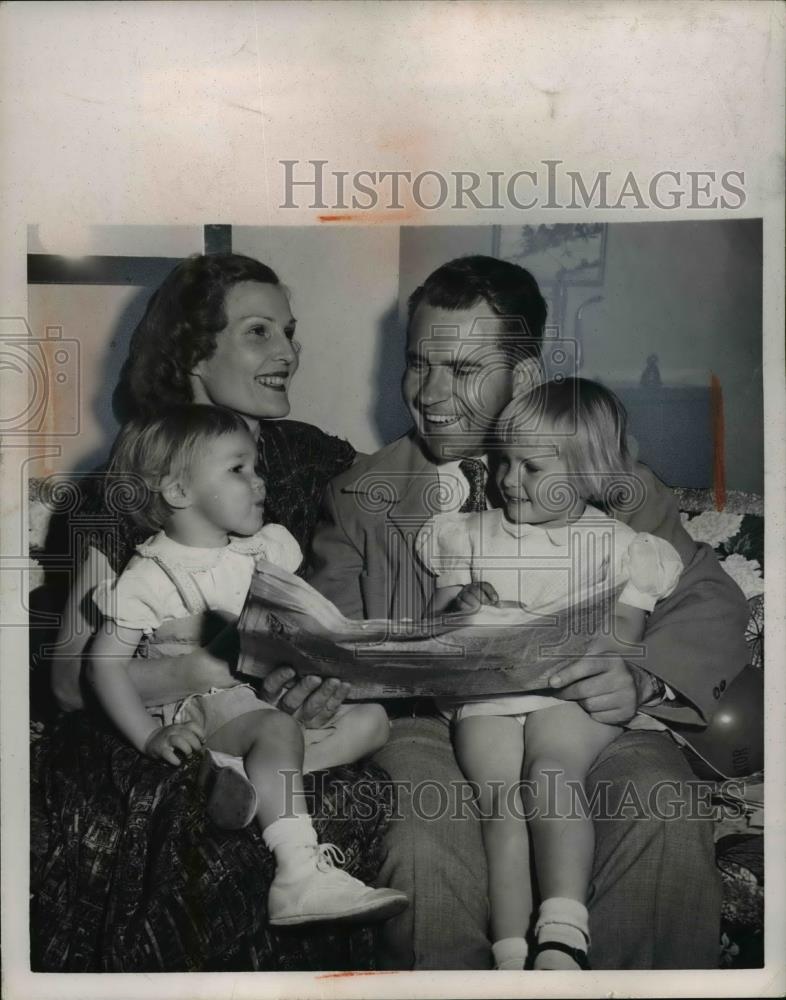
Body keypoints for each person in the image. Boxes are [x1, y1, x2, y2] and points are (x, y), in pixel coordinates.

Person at [308, 254, 751, 969]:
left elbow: (708, 597)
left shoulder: (606, 478)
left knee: (662, 808)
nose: (429, 393)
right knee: (425, 831)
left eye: (461, 370)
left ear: (525, 379)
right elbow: (329, 639)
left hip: (590, 721)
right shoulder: (362, 496)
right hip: (433, 727)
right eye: (418, 364)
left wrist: (642, 679)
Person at [32, 253, 395, 971]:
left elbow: (400, 509)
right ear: (193, 353)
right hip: (156, 721)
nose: (288, 352)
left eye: (290, 332)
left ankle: (259, 778)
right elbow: (73, 683)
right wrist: (203, 665)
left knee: (366, 761)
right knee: (192, 837)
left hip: (274, 719)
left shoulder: (315, 459)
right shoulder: (141, 477)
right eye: (259, 332)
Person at [88, 404, 406, 927]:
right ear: (178, 491)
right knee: (277, 728)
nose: (258, 482)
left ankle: (240, 778)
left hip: (254, 705)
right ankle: (298, 876)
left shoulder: (264, 551)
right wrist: (148, 737)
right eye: (237, 469)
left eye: (256, 467)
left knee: (372, 722)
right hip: (199, 710)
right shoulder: (152, 574)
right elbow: (102, 667)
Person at [418, 378, 684, 970]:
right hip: (487, 692)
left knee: (550, 773)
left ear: (588, 472)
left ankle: (563, 933)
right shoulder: (468, 533)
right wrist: (461, 608)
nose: (510, 479)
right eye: (503, 460)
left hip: (569, 694)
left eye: (533, 467)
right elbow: (435, 626)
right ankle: (511, 951)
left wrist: (567, 641)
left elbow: (622, 638)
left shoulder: (619, 546)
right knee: (497, 796)